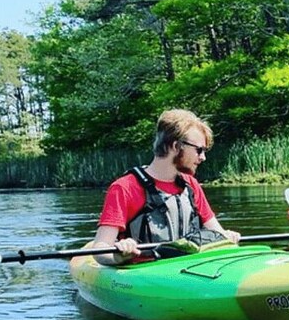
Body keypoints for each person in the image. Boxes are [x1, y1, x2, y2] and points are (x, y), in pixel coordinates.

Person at [93, 109, 240, 265]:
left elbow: (217, 233)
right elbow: (100, 249)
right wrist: (119, 255)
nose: (203, 157)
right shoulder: (124, 188)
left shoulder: (191, 185)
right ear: (176, 146)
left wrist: (227, 237)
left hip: (190, 266)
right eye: (199, 150)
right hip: (146, 270)